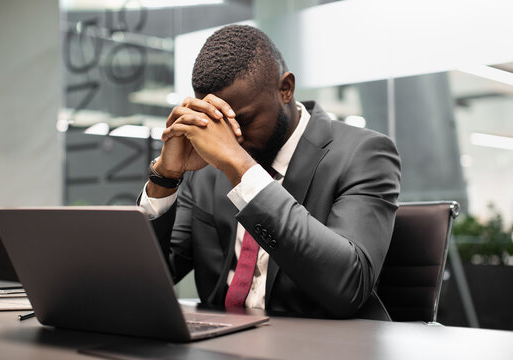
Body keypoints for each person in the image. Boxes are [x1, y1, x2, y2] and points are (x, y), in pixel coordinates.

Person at [139, 25, 401, 319]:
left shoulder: (364, 153)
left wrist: (241, 169)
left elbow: (348, 285)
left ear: (285, 88)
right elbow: (143, 281)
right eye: (217, 122)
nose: (230, 138)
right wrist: (165, 178)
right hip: (221, 343)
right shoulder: (206, 166)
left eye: (243, 120)